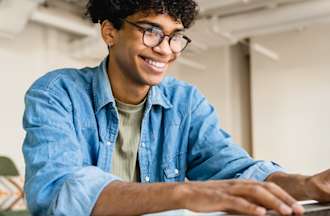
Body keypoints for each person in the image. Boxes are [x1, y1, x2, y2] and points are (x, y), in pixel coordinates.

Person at [22, 0, 330, 215]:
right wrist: (183, 194)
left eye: (175, 36)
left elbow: (237, 169)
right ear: (110, 31)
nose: (166, 49)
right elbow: (59, 193)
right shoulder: (56, 93)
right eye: (151, 31)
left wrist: (307, 185)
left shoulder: (186, 102)